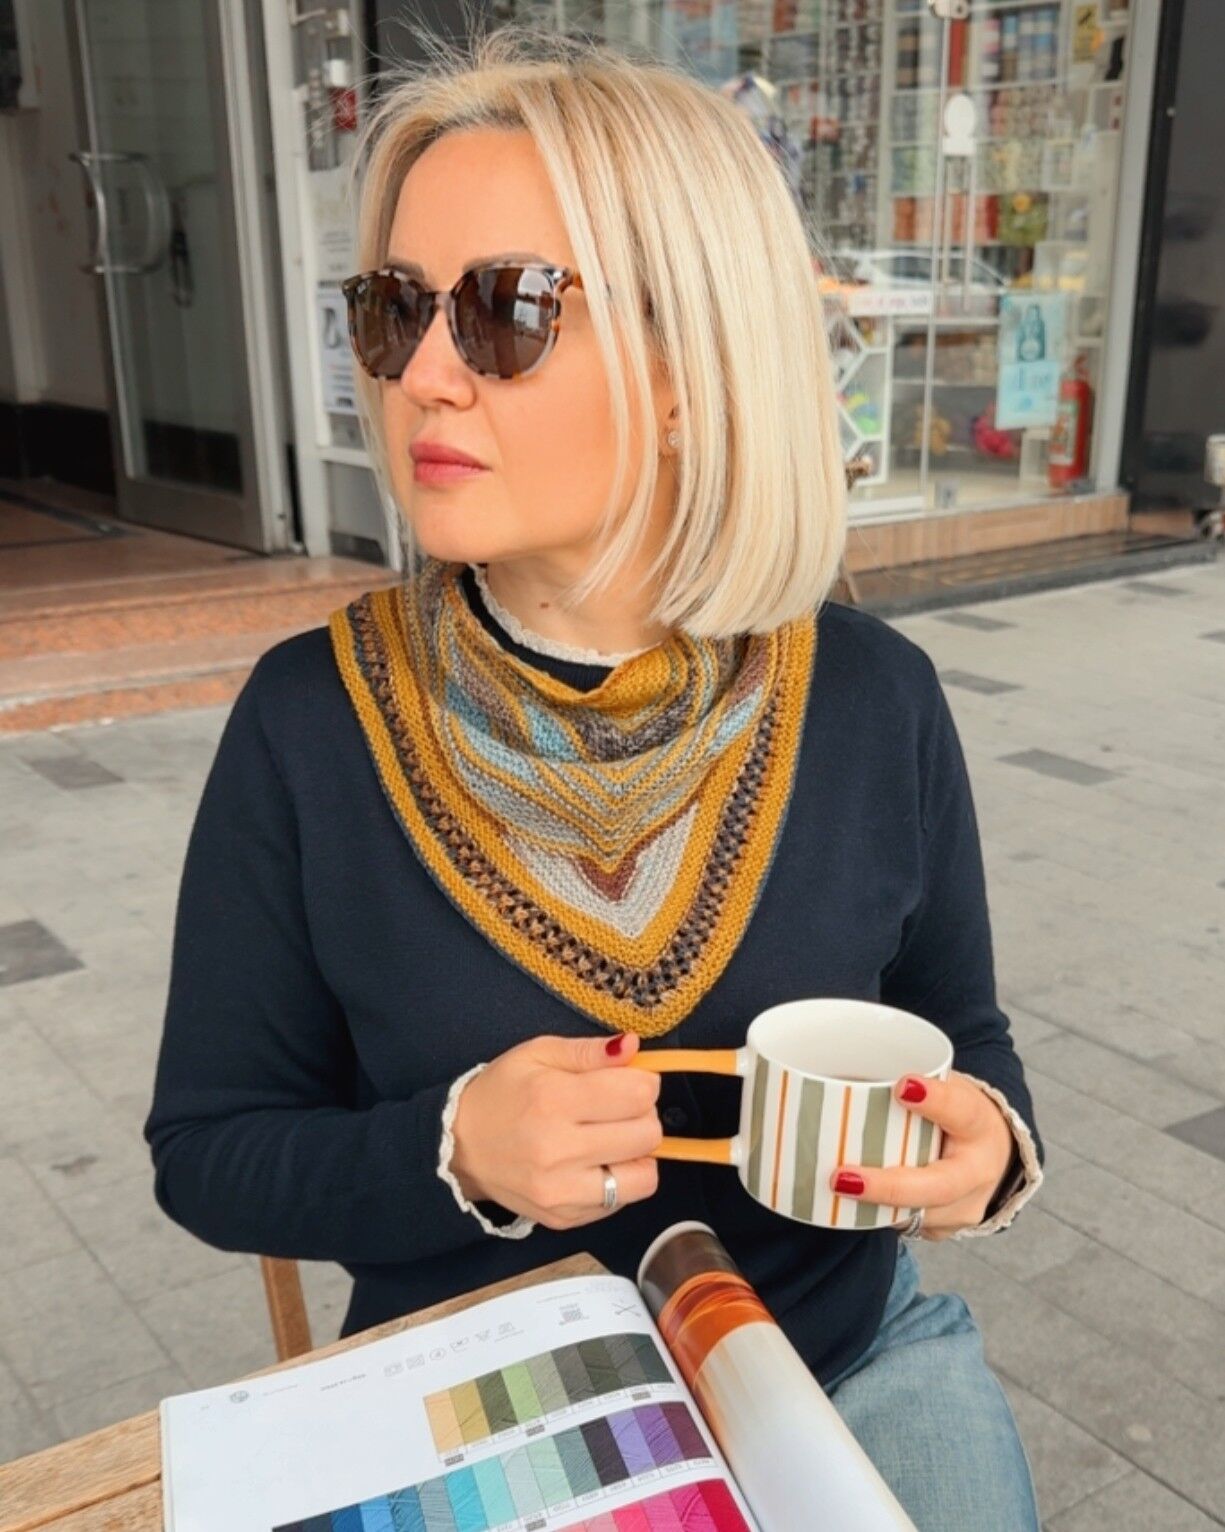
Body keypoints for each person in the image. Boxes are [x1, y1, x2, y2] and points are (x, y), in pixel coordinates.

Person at [143, 28, 1044, 1529]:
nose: (424, 376)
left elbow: (970, 1038)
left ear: (692, 368)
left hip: (847, 1359)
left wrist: (988, 1151)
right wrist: (449, 1149)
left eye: (506, 311)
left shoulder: (875, 697)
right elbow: (210, 1152)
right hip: (479, 1398)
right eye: (393, 308)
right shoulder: (310, 722)